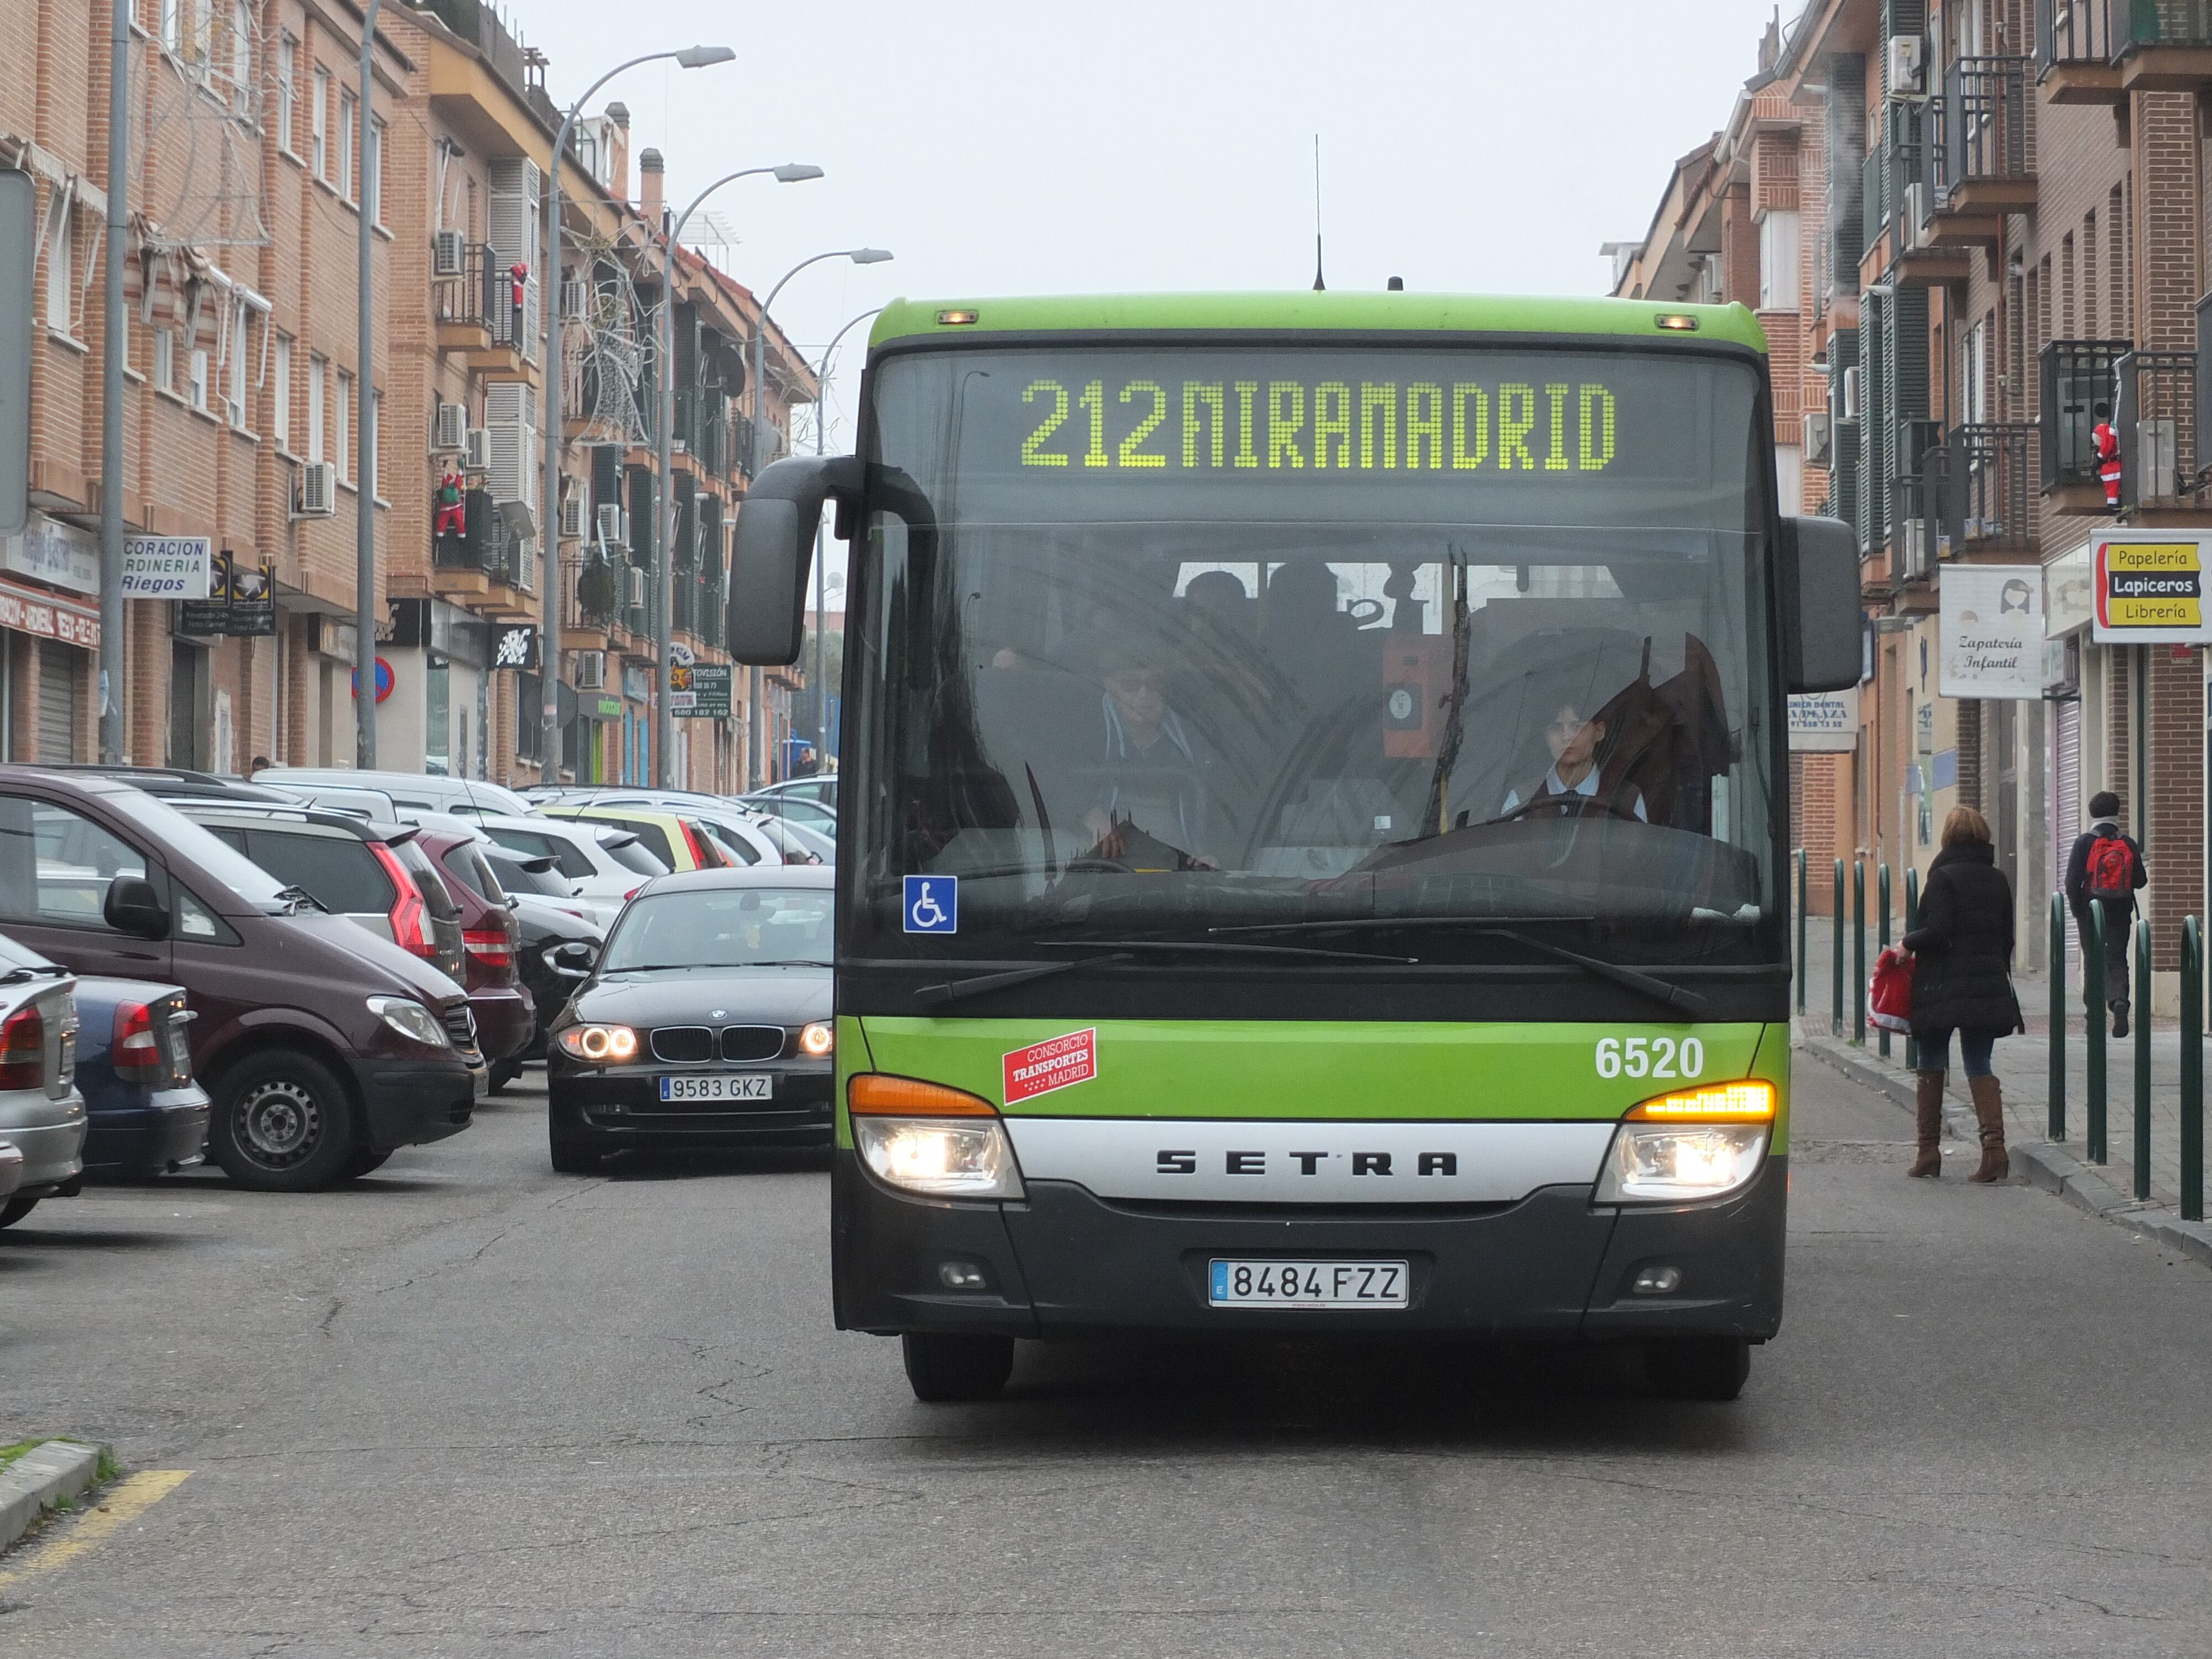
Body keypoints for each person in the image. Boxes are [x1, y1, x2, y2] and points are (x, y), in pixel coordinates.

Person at [1903, 806, 2023, 1183]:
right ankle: (1994, 1151)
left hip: (1941, 985)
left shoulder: (1942, 879)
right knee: (1979, 1063)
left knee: (1931, 1060)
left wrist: (1907, 943)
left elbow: (1937, 932)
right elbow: (2008, 938)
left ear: (1948, 838)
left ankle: (1928, 1151)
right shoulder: (1998, 879)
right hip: (1986, 983)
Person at [1081, 636, 1208, 860]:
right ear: (1110, 687)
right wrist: (1090, 815)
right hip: (1105, 867)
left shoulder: (1196, 738)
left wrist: (1211, 855)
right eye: (1131, 684)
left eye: (1155, 684)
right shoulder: (1084, 730)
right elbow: (1050, 784)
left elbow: (1224, 809)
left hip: (1180, 871)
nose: (1144, 694)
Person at [2065, 790, 2147, 1036]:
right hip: (2120, 911)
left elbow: (2072, 881)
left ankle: (2093, 1016)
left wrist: (2077, 907)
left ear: (2092, 813)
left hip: (2090, 910)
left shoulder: (2084, 842)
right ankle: (2119, 1001)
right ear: (2117, 812)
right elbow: (2141, 880)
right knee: (2117, 958)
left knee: (2093, 961)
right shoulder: (2128, 842)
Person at [1500, 701, 1647, 821]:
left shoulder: (1627, 799)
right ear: (1546, 736)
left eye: (1577, 726)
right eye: (1557, 728)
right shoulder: (1522, 798)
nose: (1567, 736)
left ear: (1599, 732)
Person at [2093, 402, 2122, 512]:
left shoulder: (2105, 434)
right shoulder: (2105, 432)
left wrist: (2100, 457)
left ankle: (2113, 503)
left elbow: (2106, 446)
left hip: (2112, 466)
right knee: (2112, 484)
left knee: (2112, 483)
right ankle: (2114, 502)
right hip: (2111, 465)